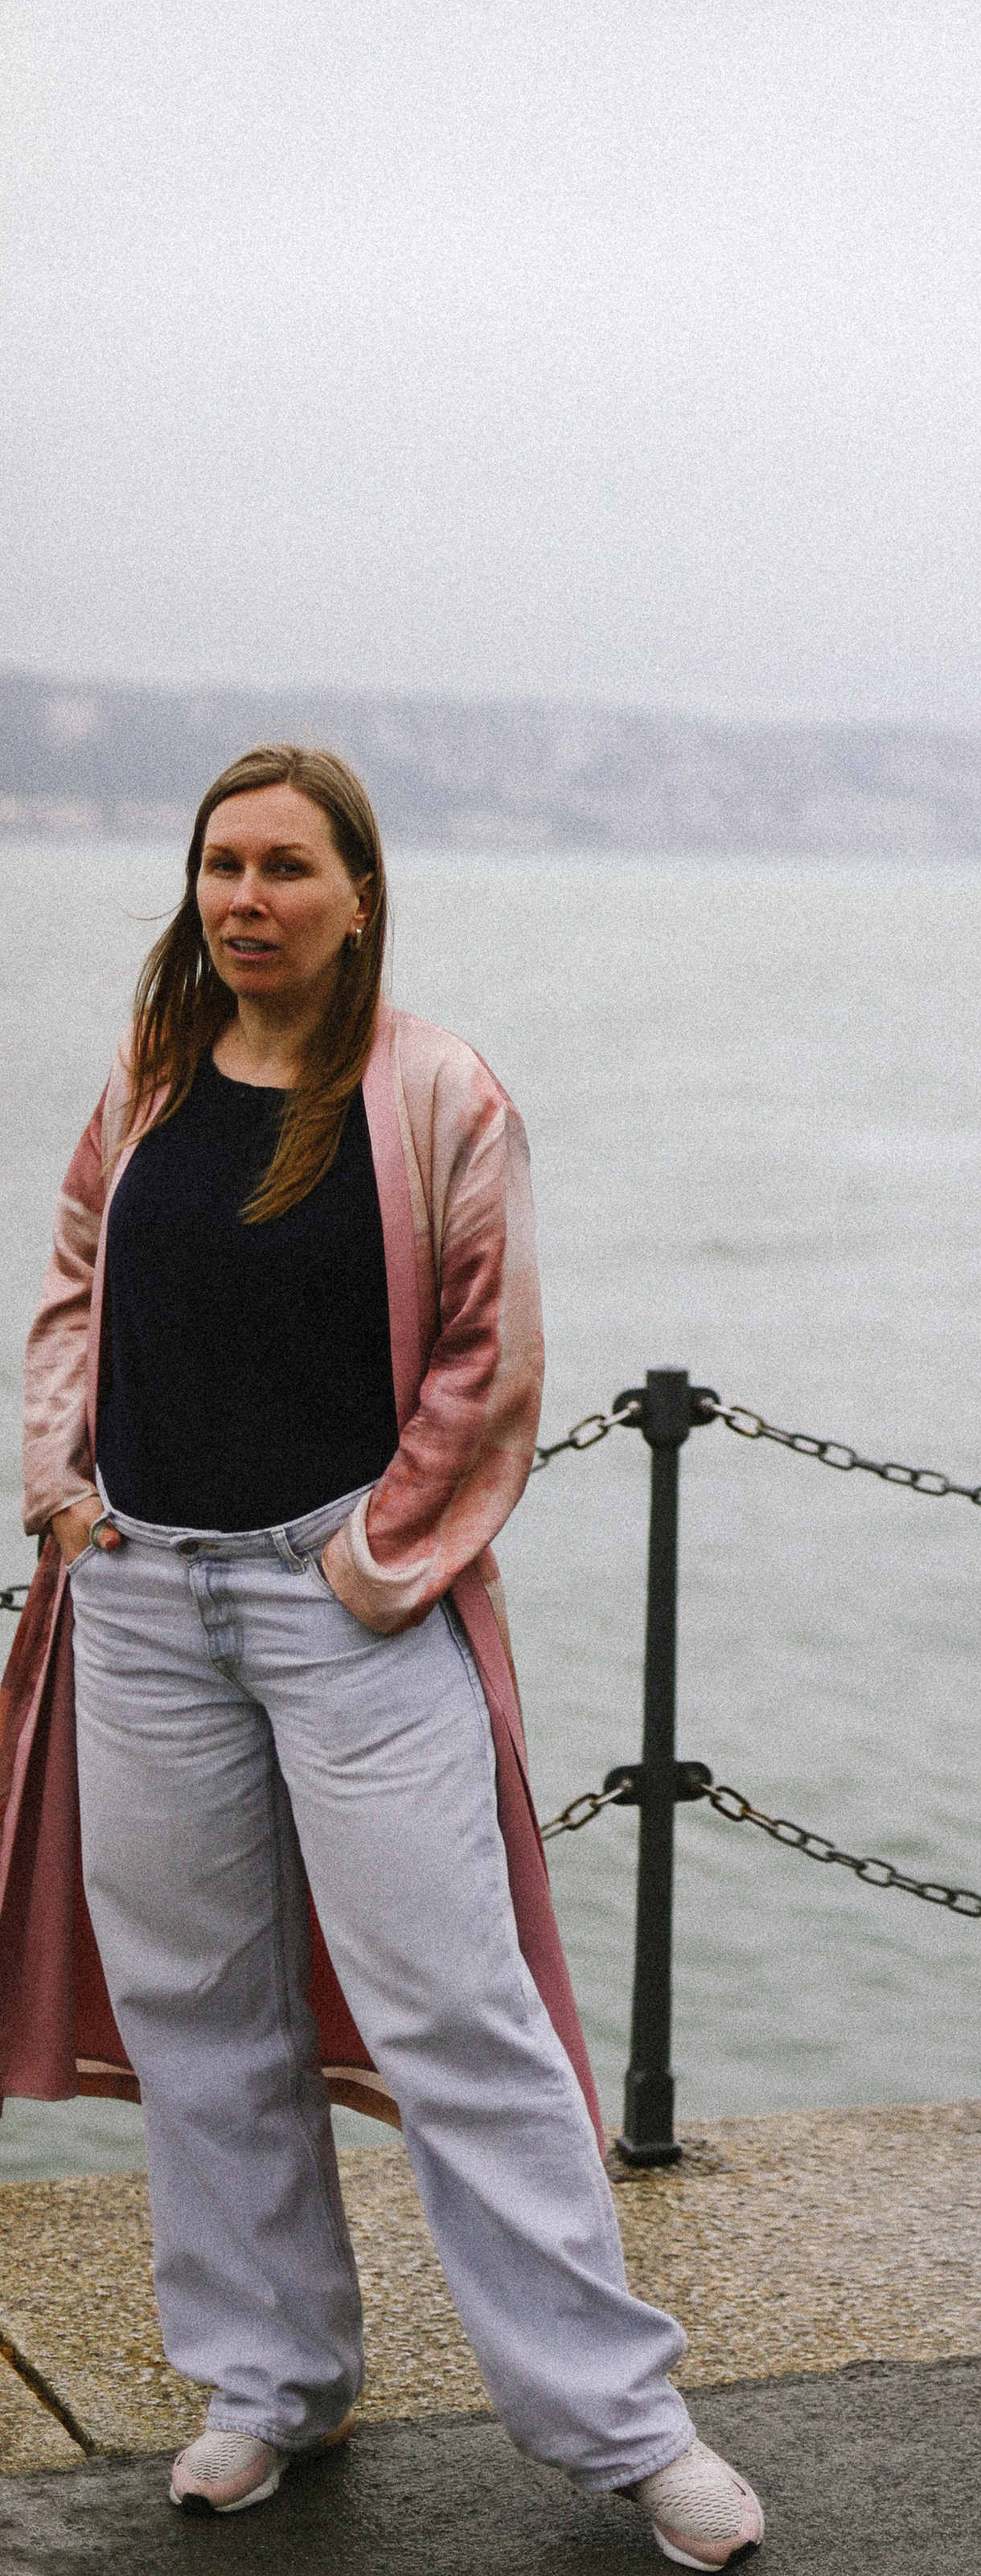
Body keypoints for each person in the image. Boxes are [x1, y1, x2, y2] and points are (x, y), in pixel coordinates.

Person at [1, 744, 763, 2568]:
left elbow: (488, 1360)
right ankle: (268, 2380)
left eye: (283, 868)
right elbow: (78, 1283)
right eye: (219, 867)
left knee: (459, 2017)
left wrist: (369, 1558)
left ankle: (623, 2424)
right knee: (201, 2020)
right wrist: (61, 1486)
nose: (244, 900)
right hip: (141, 1604)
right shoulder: (152, 1078)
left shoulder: (436, 1094)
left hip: (343, 1614)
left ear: (356, 897)